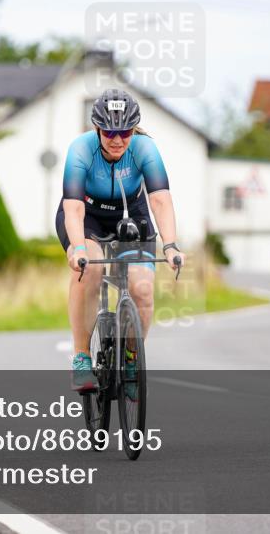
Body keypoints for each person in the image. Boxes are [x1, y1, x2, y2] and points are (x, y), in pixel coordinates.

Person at [56, 88, 185, 391]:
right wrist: (77, 250)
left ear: (134, 129)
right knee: (91, 270)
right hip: (86, 216)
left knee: (142, 289)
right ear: (98, 128)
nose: (118, 139)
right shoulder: (80, 149)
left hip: (131, 214)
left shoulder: (145, 149)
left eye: (125, 131)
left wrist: (170, 245)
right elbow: (72, 209)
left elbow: (161, 201)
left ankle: (131, 358)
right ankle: (81, 357)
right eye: (110, 132)